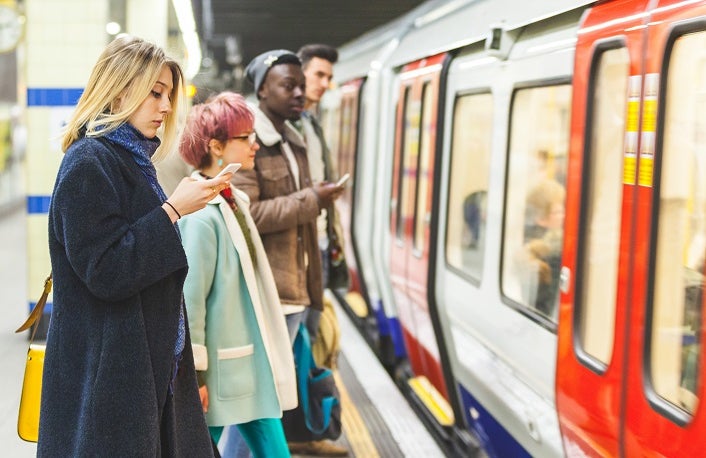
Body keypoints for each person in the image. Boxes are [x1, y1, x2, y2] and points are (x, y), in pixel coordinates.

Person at [39, 35, 232, 457]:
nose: (165, 107)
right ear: (120, 89)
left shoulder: (130, 160)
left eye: (168, 95)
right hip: (111, 378)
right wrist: (172, 211)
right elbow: (106, 270)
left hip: (144, 368)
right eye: (155, 93)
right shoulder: (89, 162)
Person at [231, 49, 347, 457]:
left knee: (267, 400)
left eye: (302, 85)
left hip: (294, 288)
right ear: (263, 89)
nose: (300, 93)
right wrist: (312, 199)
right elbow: (250, 213)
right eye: (289, 85)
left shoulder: (293, 138)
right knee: (257, 401)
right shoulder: (250, 143)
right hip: (270, 292)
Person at [178, 92, 298, 457]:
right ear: (215, 146)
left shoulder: (233, 199)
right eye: (245, 138)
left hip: (244, 363)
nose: (255, 144)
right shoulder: (201, 217)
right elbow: (191, 299)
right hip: (221, 370)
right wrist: (195, 375)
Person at [296, 43, 349, 348]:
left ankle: (307, 391)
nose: (325, 84)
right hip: (302, 247)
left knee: (311, 334)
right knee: (302, 337)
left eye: (328, 77)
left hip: (321, 241)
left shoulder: (311, 124)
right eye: (319, 75)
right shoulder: (285, 127)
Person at [521, 178, 565, 317]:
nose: (564, 215)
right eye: (558, 212)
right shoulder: (551, 253)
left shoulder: (528, 241)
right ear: (541, 218)